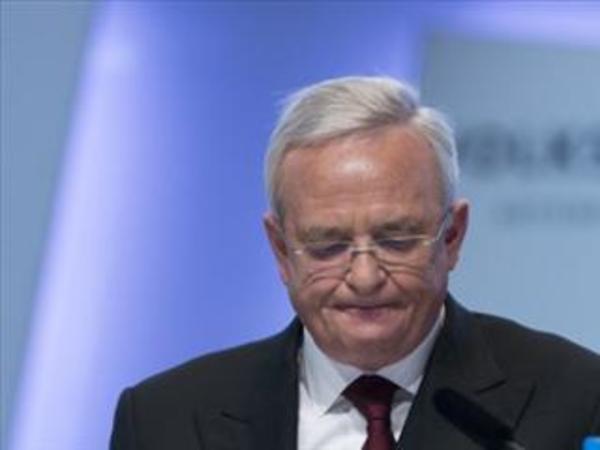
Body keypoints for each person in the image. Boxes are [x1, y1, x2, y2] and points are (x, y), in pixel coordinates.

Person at [110, 76, 600, 450]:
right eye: (328, 245)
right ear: (281, 250)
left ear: (451, 237)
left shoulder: (578, 399)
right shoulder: (164, 420)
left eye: (396, 240)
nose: (364, 278)